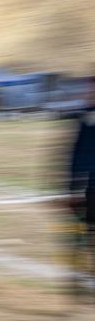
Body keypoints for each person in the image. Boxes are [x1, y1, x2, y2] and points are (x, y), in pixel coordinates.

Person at [65, 74, 95, 295]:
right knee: (82, 236)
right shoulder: (85, 117)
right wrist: (71, 190)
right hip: (90, 190)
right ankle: (79, 283)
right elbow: (75, 155)